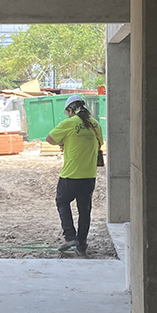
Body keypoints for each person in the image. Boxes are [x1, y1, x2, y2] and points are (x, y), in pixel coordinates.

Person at [45, 95, 103, 256]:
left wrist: (63, 142)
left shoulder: (69, 123)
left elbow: (49, 139)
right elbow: (99, 143)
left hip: (70, 174)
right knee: (84, 210)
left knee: (62, 201)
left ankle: (70, 236)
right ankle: (82, 245)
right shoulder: (96, 125)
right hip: (89, 175)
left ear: (71, 110)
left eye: (68, 112)